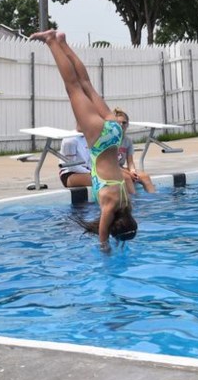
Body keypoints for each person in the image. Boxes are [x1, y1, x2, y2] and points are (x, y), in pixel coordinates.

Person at [30, 29, 137, 244]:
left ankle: (63, 43)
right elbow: (103, 234)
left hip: (114, 133)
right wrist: (105, 248)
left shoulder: (126, 204)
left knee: (86, 84)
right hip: (99, 140)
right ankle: (51, 41)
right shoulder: (110, 203)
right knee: (73, 87)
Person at [113, 108, 155, 193]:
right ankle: (134, 202)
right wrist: (129, 173)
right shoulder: (109, 140)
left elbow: (130, 162)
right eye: (118, 123)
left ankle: (154, 200)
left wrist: (132, 171)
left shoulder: (127, 140)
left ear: (128, 124)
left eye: (124, 123)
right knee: (127, 178)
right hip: (110, 169)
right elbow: (110, 164)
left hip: (121, 168)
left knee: (145, 176)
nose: (121, 125)